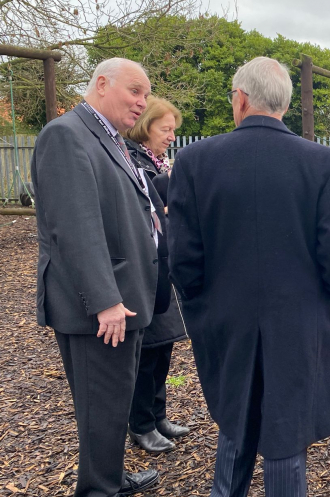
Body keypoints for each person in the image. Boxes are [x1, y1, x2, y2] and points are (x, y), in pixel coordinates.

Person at [167, 57, 330, 496]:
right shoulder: (324, 162)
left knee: (236, 411)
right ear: (283, 105)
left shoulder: (194, 160)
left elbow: (182, 255)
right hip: (298, 316)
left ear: (241, 99)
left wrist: (201, 304)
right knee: (285, 424)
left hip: (225, 314)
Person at [31, 58, 160, 496]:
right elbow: (75, 226)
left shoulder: (108, 137)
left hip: (125, 297)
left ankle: (107, 478)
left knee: (111, 405)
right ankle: (99, 490)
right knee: (101, 406)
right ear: (102, 84)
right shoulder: (66, 136)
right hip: (100, 309)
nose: (143, 102)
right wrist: (105, 299)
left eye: (146, 94)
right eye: (135, 91)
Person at [123, 96, 190, 454]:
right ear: (145, 126)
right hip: (146, 266)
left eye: (173, 130)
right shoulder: (131, 160)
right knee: (147, 351)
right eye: (165, 129)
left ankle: (158, 414)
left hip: (164, 265)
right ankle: (141, 424)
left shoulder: (155, 161)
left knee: (163, 348)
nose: (171, 136)